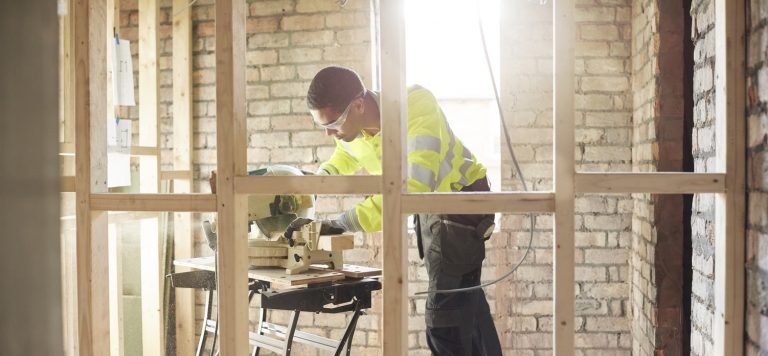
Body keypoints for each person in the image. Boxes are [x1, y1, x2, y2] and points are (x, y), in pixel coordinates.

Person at [286, 66, 502, 355]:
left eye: (333, 123)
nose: (328, 133)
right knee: (466, 301)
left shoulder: (416, 107)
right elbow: (344, 156)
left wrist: (341, 222)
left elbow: (409, 191)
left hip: (460, 202)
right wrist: (316, 182)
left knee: (445, 321)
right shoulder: (353, 132)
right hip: (431, 206)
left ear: (359, 105)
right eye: (321, 125)